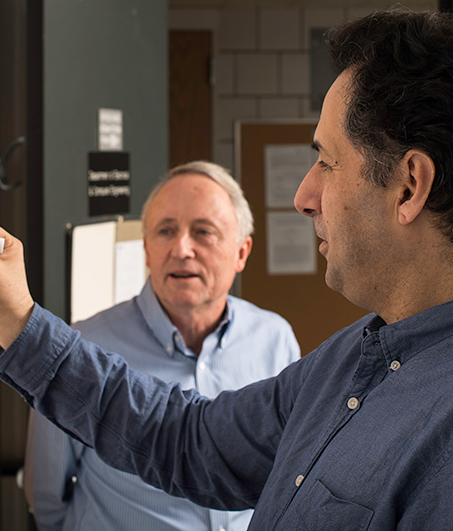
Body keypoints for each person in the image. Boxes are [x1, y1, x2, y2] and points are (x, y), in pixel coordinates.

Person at [0, 10, 453, 530]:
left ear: (410, 186)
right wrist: (19, 322)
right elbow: (186, 441)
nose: (303, 196)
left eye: (327, 162)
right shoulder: (360, 359)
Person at [24, 161, 300, 531]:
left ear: (241, 252)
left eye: (203, 232)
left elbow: (287, 471)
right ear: (147, 250)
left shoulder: (274, 339)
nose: (182, 249)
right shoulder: (87, 346)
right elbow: (47, 498)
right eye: (166, 231)